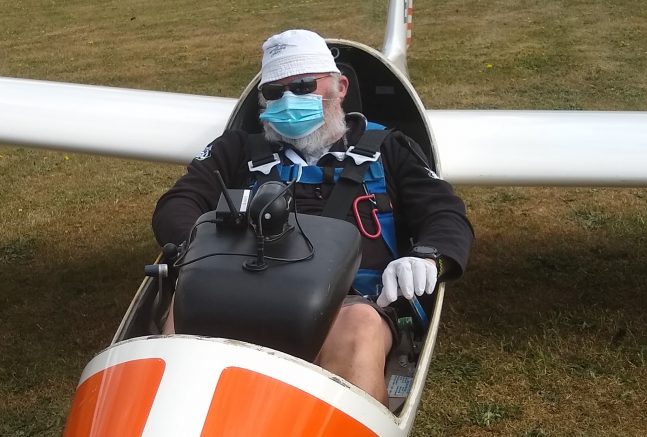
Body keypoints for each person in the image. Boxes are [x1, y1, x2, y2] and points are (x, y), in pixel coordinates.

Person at [152, 29, 473, 404]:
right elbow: (179, 202)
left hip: (353, 302)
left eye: (304, 86)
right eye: (274, 92)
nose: (289, 100)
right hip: (244, 290)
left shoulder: (389, 148)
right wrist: (199, 252)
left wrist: (429, 257)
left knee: (360, 327)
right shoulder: (237, 149)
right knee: (186, 308)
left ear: (340, 87)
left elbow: (444, 212)